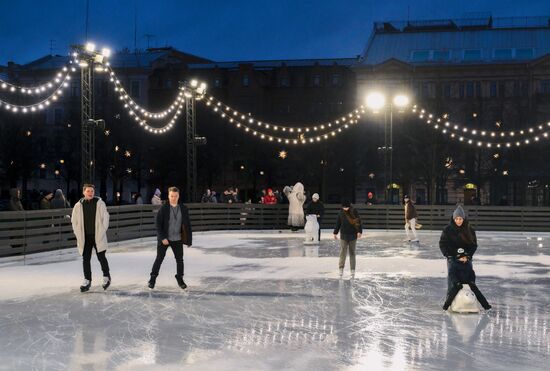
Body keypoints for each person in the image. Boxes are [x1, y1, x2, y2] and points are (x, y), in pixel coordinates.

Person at [439, 206, 491, 310]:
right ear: (454, 219)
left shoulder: (469, 230)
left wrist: (467, 256)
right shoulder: (447, 230)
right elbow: (442, 244)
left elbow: (473, 245)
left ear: (464, 219)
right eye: (456, 219)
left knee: (469, 279)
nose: (458, 221)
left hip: (466, 258)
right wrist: (448, 255)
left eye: (460, 219)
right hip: (452, 258)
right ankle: (449, 302)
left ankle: (471, 301)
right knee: (453, 280)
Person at [148, 186, 193, 290]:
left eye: (175, 196)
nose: (173, 198)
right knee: (159, 259)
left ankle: (180, 278)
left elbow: (187, 225)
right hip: (165, 239)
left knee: (180, 260)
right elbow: (158, 224)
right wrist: (163, 237)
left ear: (178, 196)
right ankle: (152, 278)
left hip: (177, 239)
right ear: (168, 196)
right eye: (171, 196)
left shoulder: (183, 208)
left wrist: (189, 240)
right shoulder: (164, 208)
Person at [71, 184, 111, 292]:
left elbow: (106, 218)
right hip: (85, 237)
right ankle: (87, 280)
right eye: (88, 191)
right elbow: (74, 221)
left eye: (92, 191)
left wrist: (102, 231)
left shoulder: (100, 203)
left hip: (98, 235)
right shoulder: (78, 206)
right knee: (86, 259)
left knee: (101, 257)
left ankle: (106, 276)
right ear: (84, 192)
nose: (90, 193)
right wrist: (77, 233)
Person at [333, 200, 362, 279]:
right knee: (343, 252)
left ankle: (352, 270)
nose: (345, 209)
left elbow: (358, 222)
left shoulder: (354, 211)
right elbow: (338, 223)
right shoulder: (341, 212)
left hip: (353, 235)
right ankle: (341, 268)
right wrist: (335, 233)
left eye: (346, 207)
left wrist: (359, 231)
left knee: (352, 252)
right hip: (344, 235)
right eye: (344, 207)